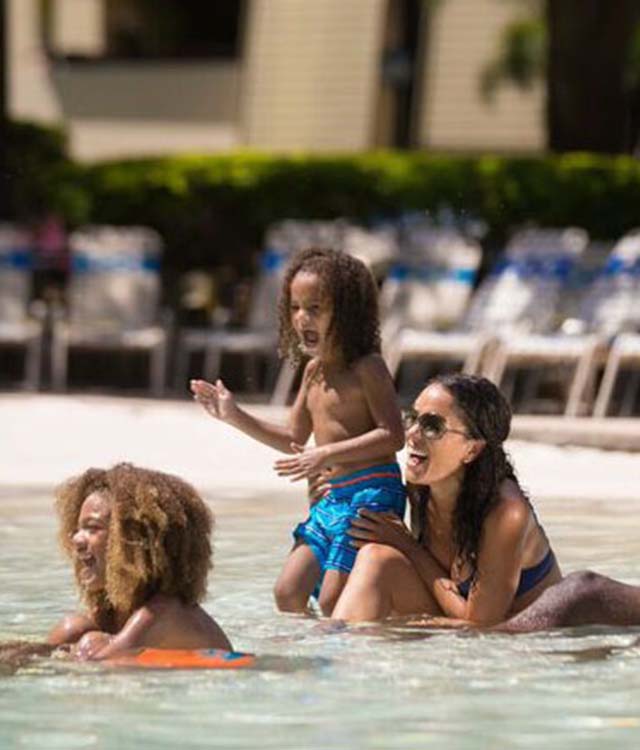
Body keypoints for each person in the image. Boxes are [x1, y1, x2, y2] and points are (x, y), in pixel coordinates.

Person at [191, 247, 405, 616]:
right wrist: (234, 415)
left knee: (332, 602)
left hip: (371, 494)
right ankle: (309, 661)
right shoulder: (313, 372)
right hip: (330, 498)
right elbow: (294, 437)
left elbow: (393, 435)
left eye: (315, 308)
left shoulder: (368, 368)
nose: (301, 318)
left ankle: (345, 656)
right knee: (287, 593)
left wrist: (325, 454)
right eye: (295, 307)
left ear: (347, 312)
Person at [331, 373, 563, 626]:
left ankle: (335, 646)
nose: (411, 433)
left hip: (521, 644)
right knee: (375, 557)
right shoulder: (423, 486)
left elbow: (480, 626)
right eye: (412, 418)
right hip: (461, 624)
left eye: (432, 426)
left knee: (381, 571)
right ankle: (331, 648)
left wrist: (408, 545)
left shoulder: (506, 512)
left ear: (472, 449)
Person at [46, 463, 232, 659]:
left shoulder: (164, 613)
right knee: (73, 629)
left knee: (89, 643)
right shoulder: (113, 610)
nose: (76, 539)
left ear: (138, 542)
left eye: (93, 528)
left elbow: (95, 667)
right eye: (78, 529)